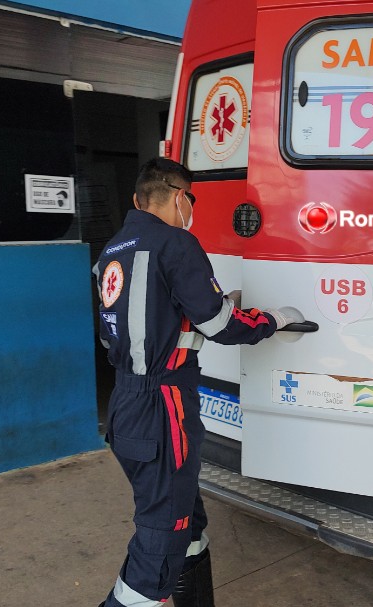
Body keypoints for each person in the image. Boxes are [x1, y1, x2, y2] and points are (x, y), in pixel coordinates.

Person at [95, 158, 293, 607]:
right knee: (161, 542)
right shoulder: (177, 243)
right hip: (162, 404)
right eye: (192, 200)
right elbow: (221, 325)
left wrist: (212, 306)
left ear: (136, 200)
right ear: (182, 197)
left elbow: (150, 315)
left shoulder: (113, 251)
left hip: (125, 403)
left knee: (187, 522)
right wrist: (273, 321)